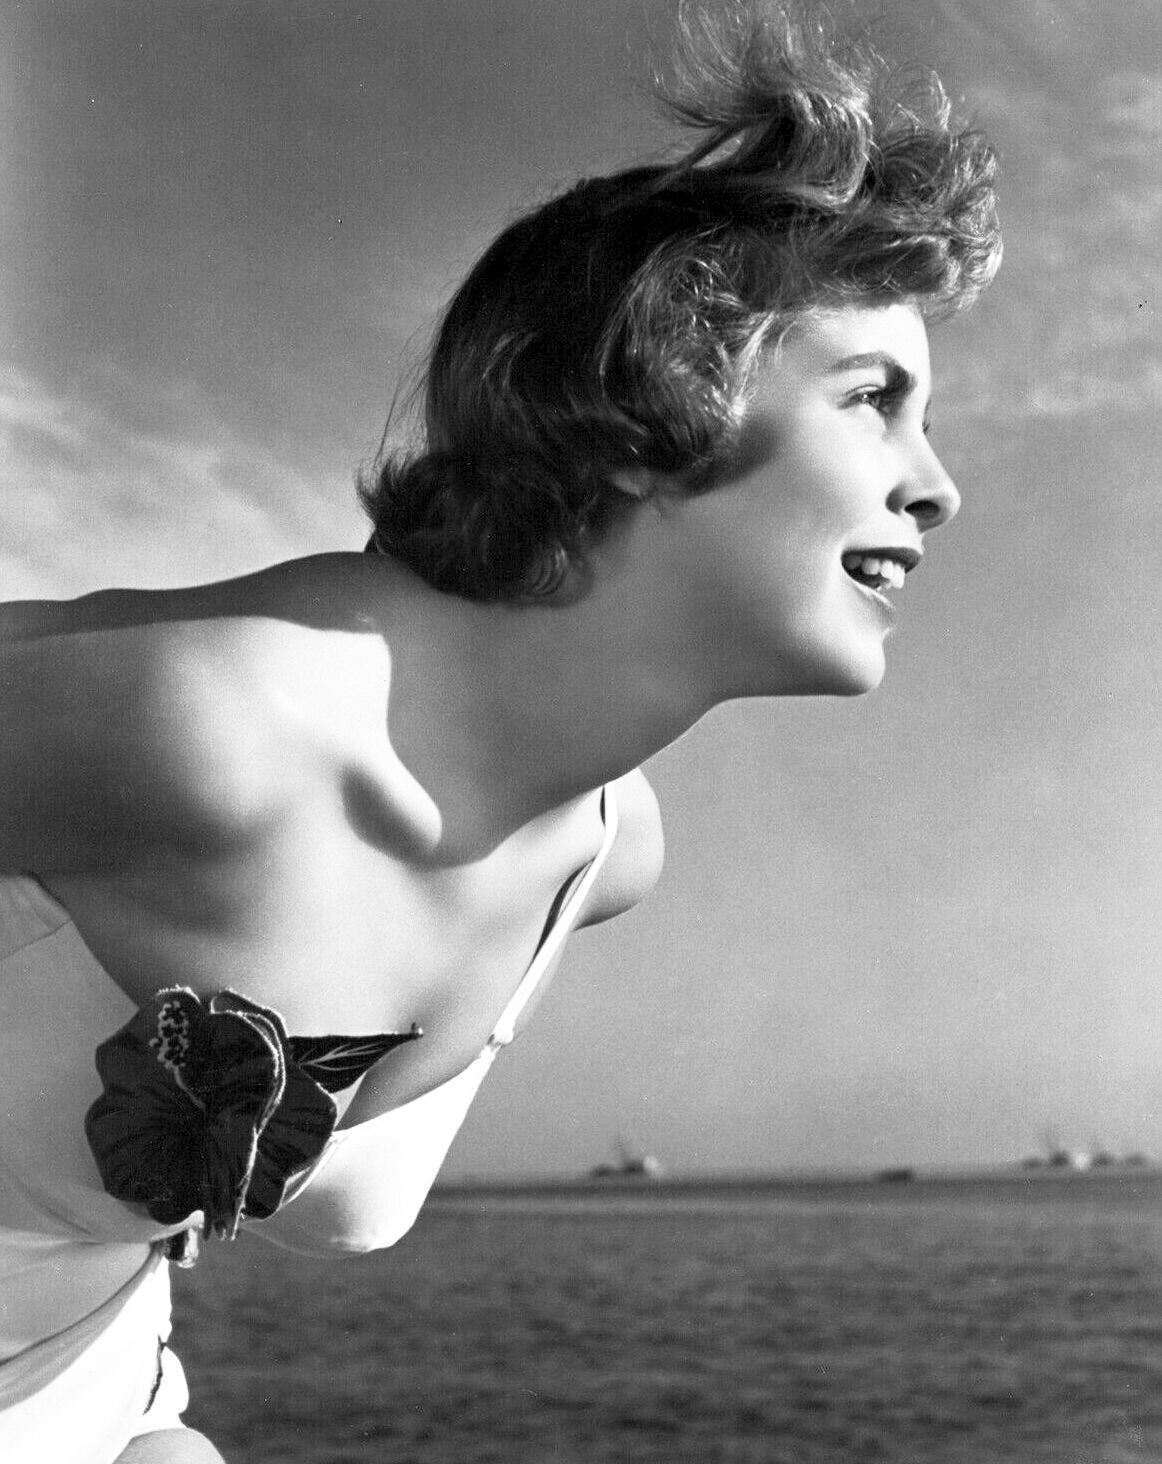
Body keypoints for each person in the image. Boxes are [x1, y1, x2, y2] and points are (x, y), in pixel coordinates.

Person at [0, 3, 1000, 1460]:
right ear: (646, 398)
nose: (938, 487)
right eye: (872, 400)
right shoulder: (221, 724)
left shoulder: (606, 853)